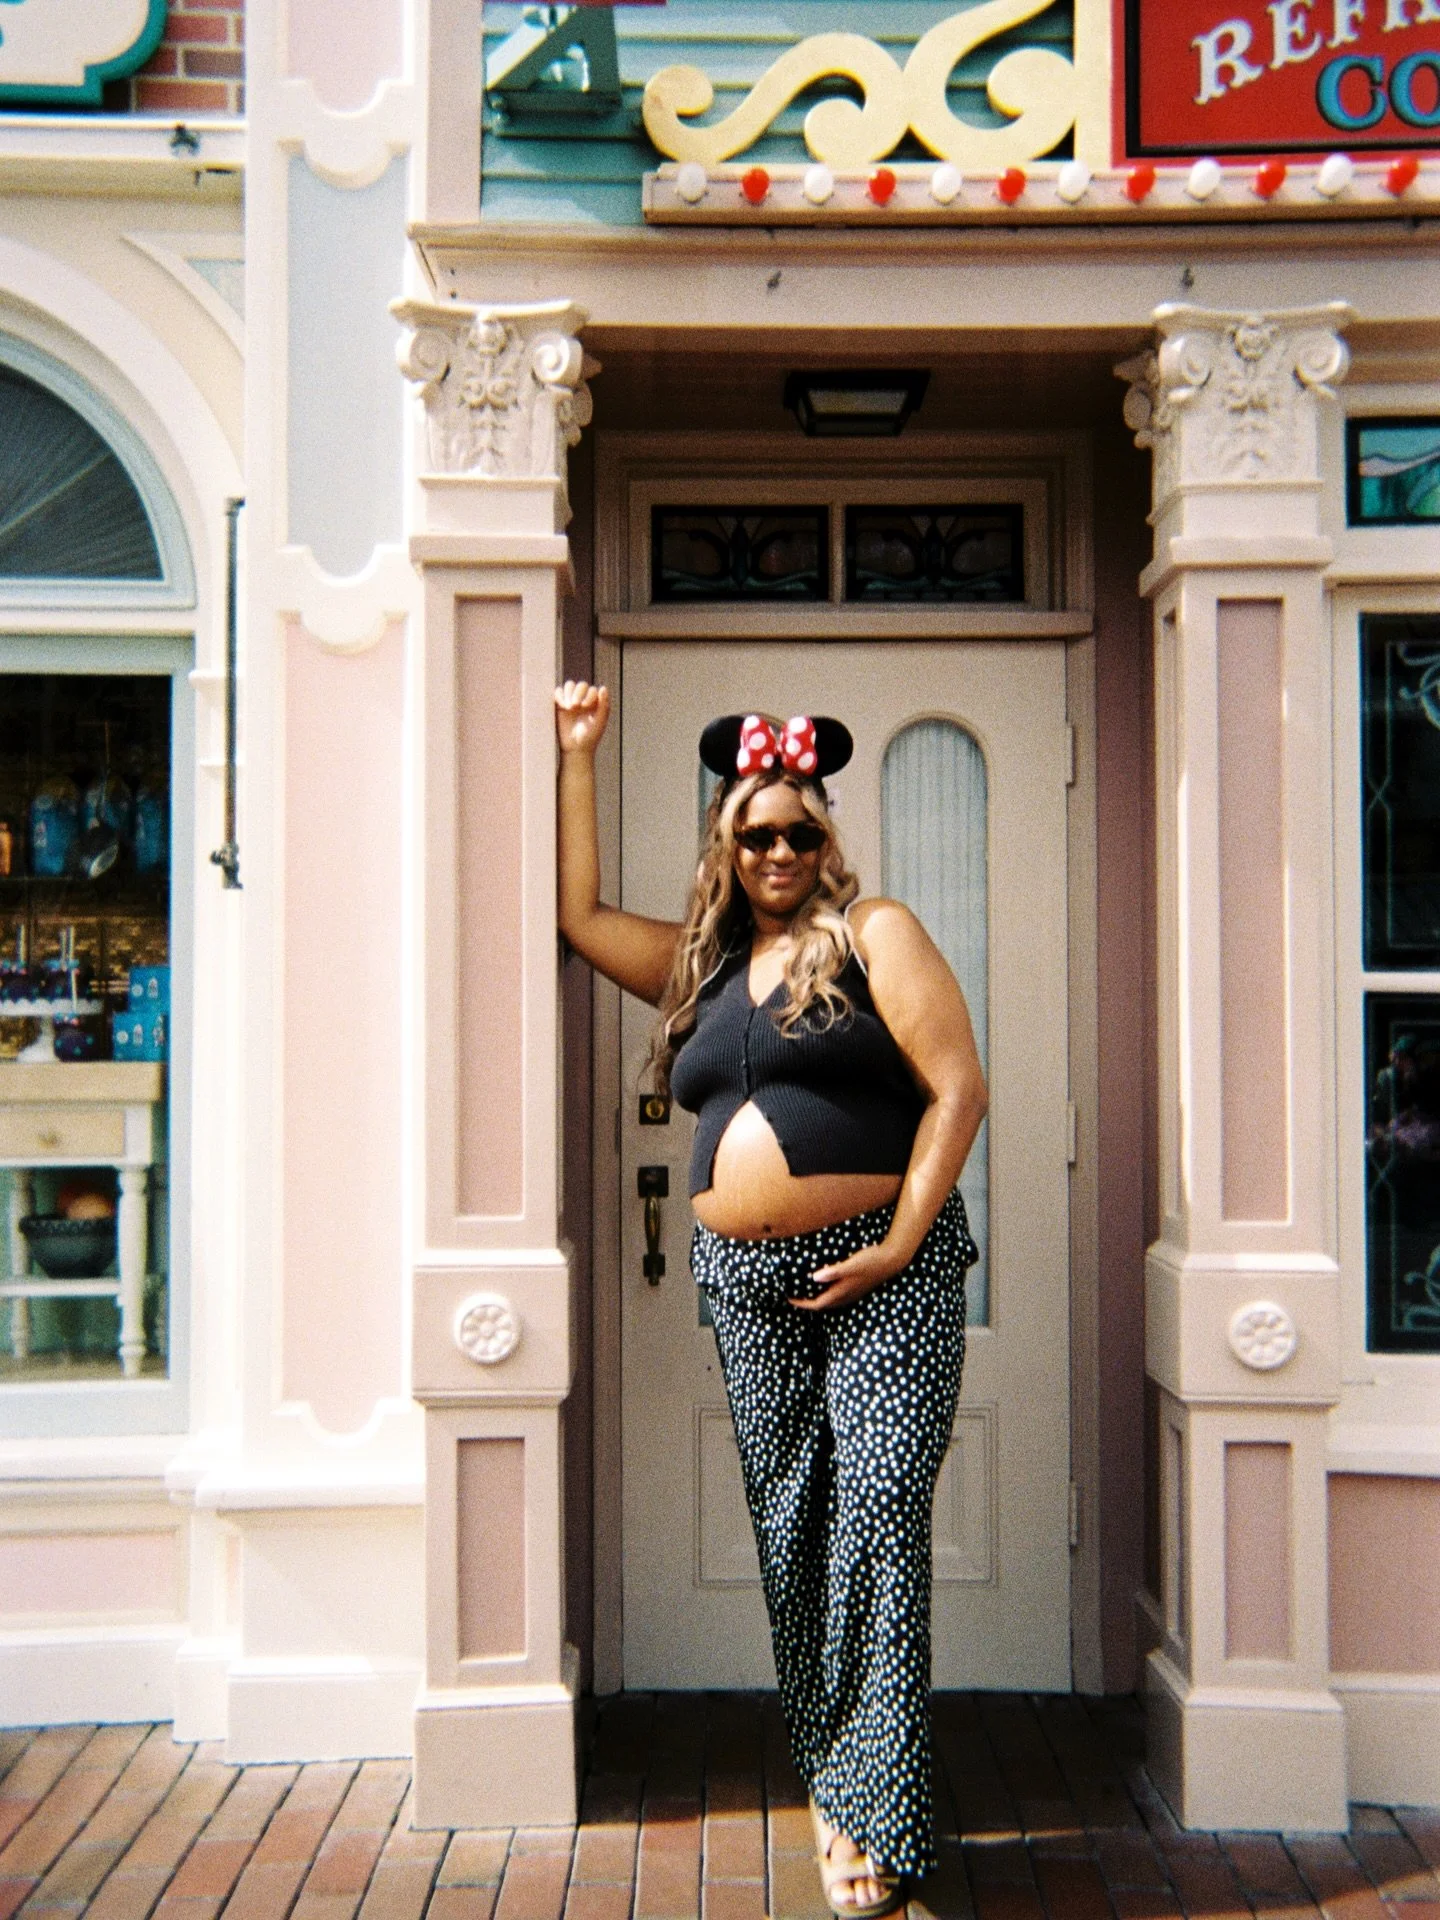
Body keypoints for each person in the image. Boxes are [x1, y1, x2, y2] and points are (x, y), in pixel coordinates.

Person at [555, 682, 987, 1919]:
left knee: (880, 1516)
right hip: (746, 1284)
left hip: (886, 1270)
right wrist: (576, 754)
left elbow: (957, 1091)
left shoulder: (874, 933)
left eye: (801, 832)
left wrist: (900, 1243)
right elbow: (579, 916)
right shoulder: (699, 969)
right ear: (726, 846)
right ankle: (839, 1786)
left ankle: (885, 1819)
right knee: (796, 1529)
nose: (782, 853)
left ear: (826, 837)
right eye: (758, 836)